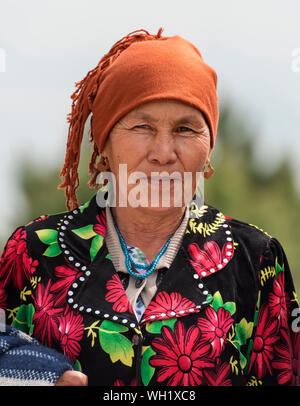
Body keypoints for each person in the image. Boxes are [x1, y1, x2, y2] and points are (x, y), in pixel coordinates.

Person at [0, 27, 299, 387]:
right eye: (142, 126)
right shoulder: (33, 253)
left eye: (186, 129)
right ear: (104, 144)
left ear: (209, 149)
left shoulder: (254, 260)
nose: (163, 152)